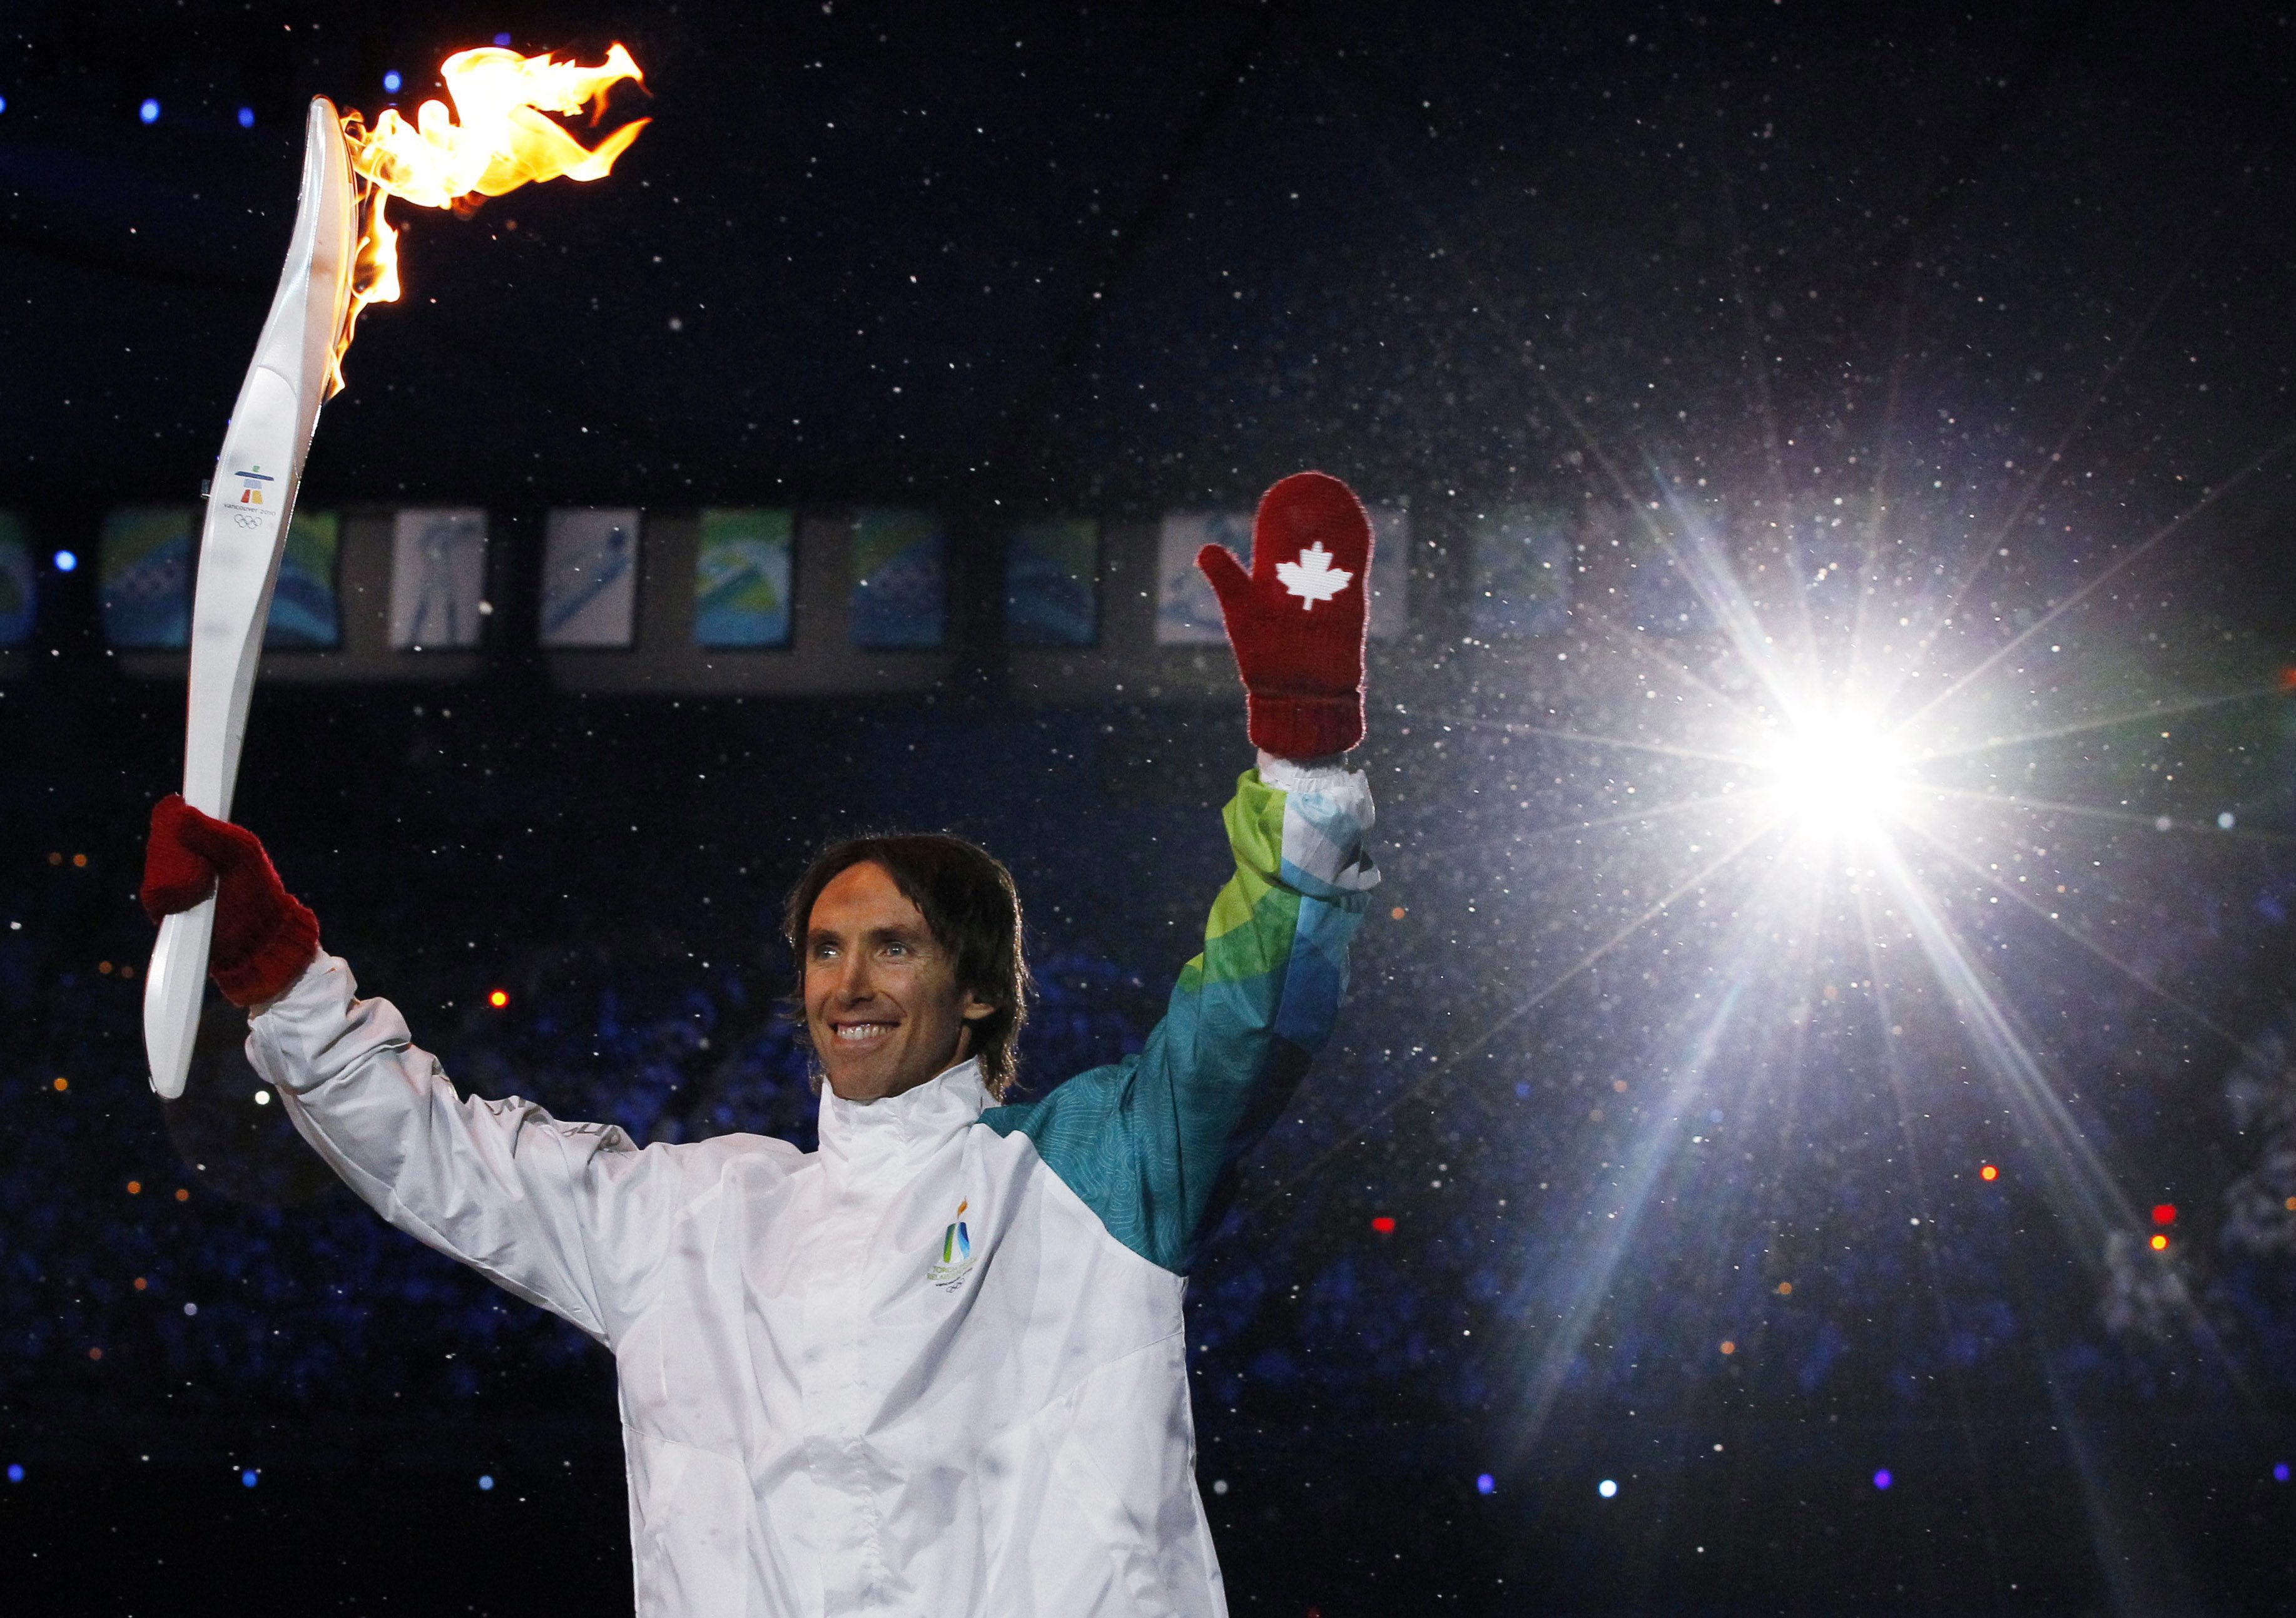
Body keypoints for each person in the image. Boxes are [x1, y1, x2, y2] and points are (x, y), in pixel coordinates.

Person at [140, 471, 1381, 1617]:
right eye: (824, 949)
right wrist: (280, 976)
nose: (846, 980)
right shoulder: (694, 1219)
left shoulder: (1085, 1177)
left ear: (981, 994)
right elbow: (443, 1162)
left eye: (893, 946)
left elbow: (1246, 1018)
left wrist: (1304, 770)